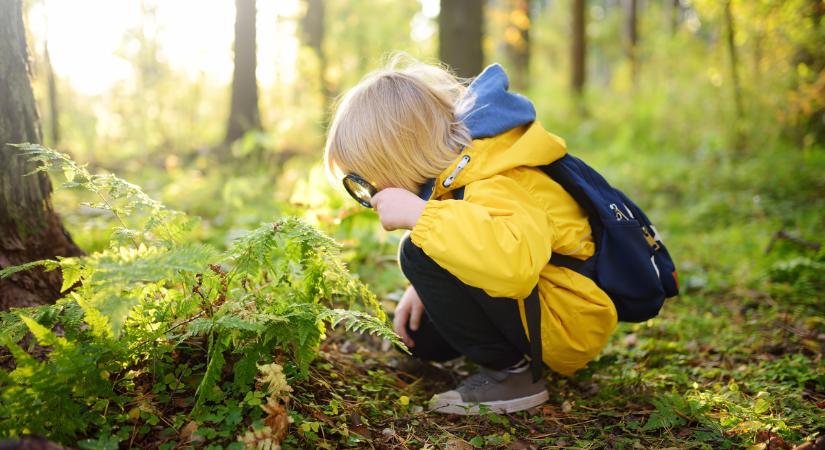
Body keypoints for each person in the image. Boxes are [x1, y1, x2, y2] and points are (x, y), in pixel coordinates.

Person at [323, 54, 617, 415]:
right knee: (423, 337)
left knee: (415, 251)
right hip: (544, 304)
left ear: (398, 158)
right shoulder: (458, 172)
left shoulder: (496, 175)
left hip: (567, 320)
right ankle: (497, 356)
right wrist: (424, 286)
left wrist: (421, 217)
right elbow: (475, 233)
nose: (368, 194)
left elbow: (514, 264)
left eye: (365, 181)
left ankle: (512, 377)